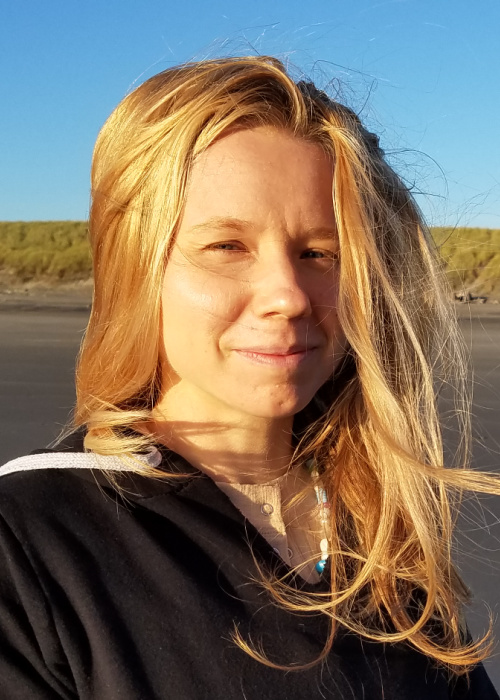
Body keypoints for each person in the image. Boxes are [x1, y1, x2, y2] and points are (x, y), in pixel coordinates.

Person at [0, 56, 498, 699]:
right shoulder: (34, 544)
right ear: (135, 263)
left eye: (321, 253)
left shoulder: (378, 523)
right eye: (226, 247)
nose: (288, 295)